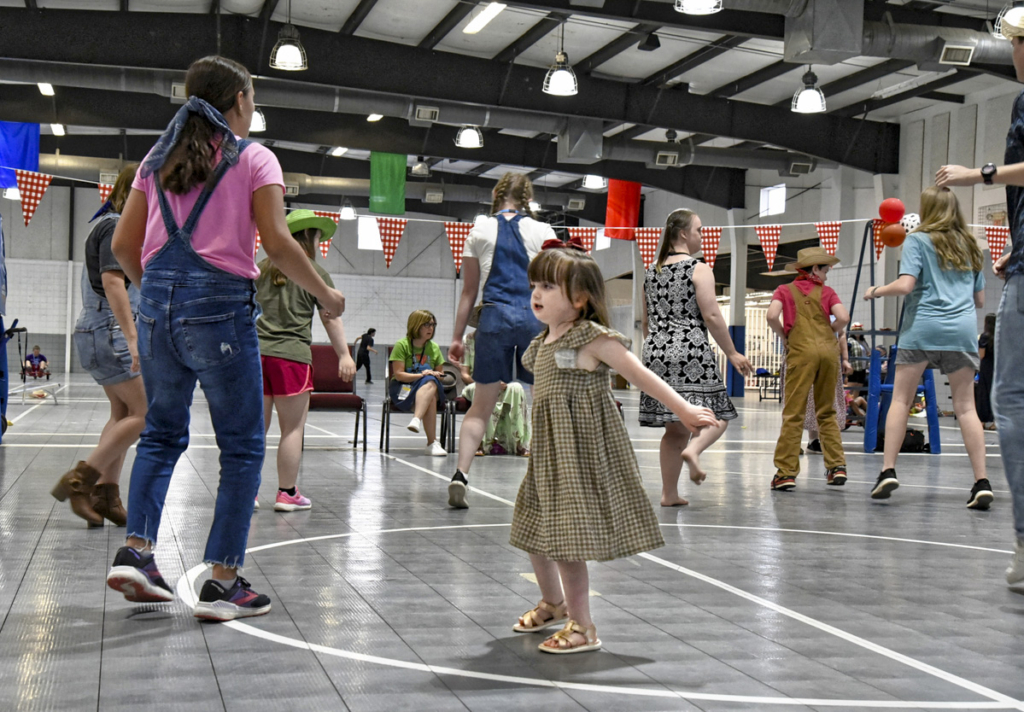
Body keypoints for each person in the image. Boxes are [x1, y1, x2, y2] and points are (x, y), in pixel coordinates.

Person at [104, 56, 345, 621]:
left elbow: (122, 247)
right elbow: (281, 245)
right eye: (253, 96)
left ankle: (137, 553)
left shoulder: (155, 161)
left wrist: (163, 299)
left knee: (161, 436)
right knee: (240, 447)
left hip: (159, 309)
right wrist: (327, 298)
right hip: (222, 313)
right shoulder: (256, 158)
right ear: (238, 101)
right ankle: (222, 583)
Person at [510, 245, 716, 654]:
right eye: (534, 284)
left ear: (580, 298)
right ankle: (553, 603)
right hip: (549, 456)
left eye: (548, 286)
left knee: (566, 541)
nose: (536, 293)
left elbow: (641, 376)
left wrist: (684, 408)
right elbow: (546, 401)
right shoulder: (541, 344)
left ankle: (583, 627)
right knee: (532, 530)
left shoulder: (593, 339)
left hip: (581, 455)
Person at [937, 11, 1024, 586]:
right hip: (971, 323)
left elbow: (907, 287)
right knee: (975, 406)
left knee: (1010, 402)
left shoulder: (924, 243)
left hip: (932, 336)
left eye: (1014, 42)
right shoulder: (965, 249)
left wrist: (980, 174)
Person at [863, 187, 989, 507]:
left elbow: (906, 285)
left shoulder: (918, 239)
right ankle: (981, 481)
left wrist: (876, 290)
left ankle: (888, 470)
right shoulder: (971, 245)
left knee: (901, 401)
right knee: (966, 408)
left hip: (922, 329)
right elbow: (980, 300)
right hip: (961, 332)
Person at [447, 173, 555, 508]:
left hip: (493, 316)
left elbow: (468, 292)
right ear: (527, 197)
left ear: (496, 195)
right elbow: (555, 284)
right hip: (534, 316)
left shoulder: (478, 231)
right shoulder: (543, 232)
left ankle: (461, 474)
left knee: (480, 407)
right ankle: (545, 483)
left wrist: (456, 337)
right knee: (543, 405)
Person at [51, 164, 146, 528]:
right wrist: (134, 338)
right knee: (145, 413)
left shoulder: (111, 225)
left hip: (99, 331)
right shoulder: (114, 226)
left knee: (123, 414)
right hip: (111, 331)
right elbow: (112, 282)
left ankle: (107, 496)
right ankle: (80, 482)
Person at [639, 209, 751, 506]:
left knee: (674, 429)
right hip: (690, 350)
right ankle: (695, 450)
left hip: (656, 352)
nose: (703, 235)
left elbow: (646, 321)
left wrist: (657, 349)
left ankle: (669, 494)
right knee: (720, 415)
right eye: (699, 230)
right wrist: (732, 352)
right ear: (684, 234)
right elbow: (712, 315)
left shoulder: (652, 271)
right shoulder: (698, 268)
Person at [255, 209, 356, 512]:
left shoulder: (258, 269)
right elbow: (331, 318)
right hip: (293, 359)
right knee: (292, 429)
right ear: (309, 237)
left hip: (255, 357)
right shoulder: (313, 273)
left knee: (254, 430)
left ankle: (247, 493)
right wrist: (344, 354)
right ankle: (287, 493)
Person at [767, 247, 851, 491]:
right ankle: (836, 467)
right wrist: (828, 332)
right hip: (828, 353)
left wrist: (784, 336)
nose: (826, 276)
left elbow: (772, 316)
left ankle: (785, 473)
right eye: (825, 270)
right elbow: (843, 318)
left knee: (794, 413)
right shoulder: (827, 292)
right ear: (815, 269)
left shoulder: (784, 290)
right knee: (827, 412)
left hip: (800, 352)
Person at [458, 330, 531, 456]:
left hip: (497, 383)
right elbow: (464, 374)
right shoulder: (468, 340)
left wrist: (500, 381)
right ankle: (479, 443)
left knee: (516, 388)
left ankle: (519, 443)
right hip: (476, 384)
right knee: (480, 390)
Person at [390, 310, 447, 456]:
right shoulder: (401, 345)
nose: (431, 328)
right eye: (426, 325)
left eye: (433, 325)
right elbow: (399, 375)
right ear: (416, 325)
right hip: (404, 387)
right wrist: (422, 374)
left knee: (431, 381)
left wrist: (433, 374)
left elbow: (441, 374)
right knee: (431, 397)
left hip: (428, 386)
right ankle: (432, 443)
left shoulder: (434, 347)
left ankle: (416, 419)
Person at [975, 313, 996, 429]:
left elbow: (981, 355)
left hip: (986, 367)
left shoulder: (984, 337)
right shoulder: (1000, 336)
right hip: (997, 367)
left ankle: (982, 420)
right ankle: (996, 421)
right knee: (995, 393)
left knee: (983, 393)